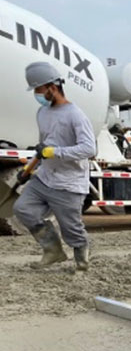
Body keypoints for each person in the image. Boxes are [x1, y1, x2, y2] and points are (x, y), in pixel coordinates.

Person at [13, 62, 96, 270]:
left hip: (69, 183)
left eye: (39, 89)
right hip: (45, 177)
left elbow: (89, 149)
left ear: (53, 86)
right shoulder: (42, 113)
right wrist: (29, 168)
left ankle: (82, 261)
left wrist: (55, 152)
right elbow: (44, 146)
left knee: (72, 230)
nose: (37, 94)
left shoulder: (75, 115)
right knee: (23, 209)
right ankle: (53, 251)